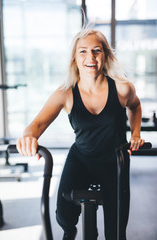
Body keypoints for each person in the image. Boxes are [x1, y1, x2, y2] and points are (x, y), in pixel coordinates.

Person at [17, 28, 144, 240]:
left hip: (114, 163)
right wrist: (28, 136)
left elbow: (136, 106)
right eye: (83, 51)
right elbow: (37, 124)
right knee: (65, 217)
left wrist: (136, 133)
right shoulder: (65, 93)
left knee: (116, 232)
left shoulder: (122, 89)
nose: (90, 57)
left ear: (105, 55)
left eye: (96, 50)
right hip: (81, 158)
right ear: (75, 59)